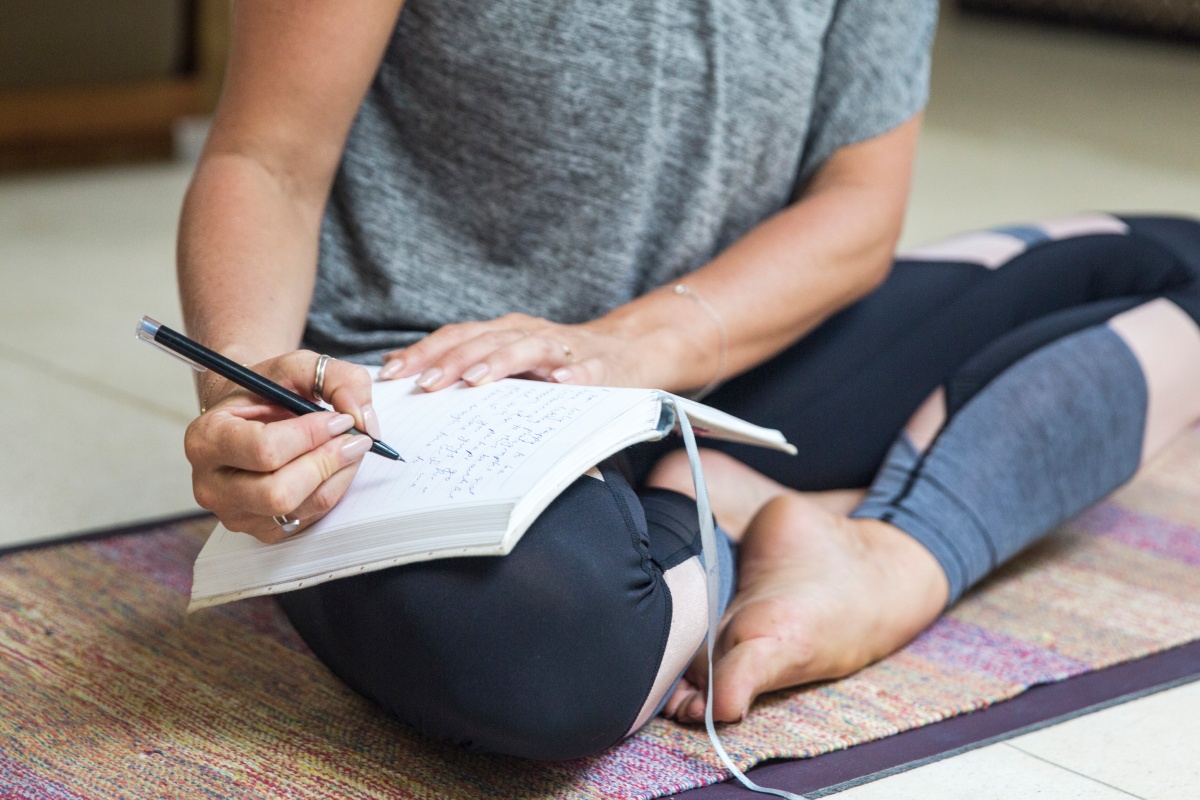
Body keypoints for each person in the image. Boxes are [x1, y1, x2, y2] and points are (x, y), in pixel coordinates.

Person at [178, 0, 1200, 762]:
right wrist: (249, 393)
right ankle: (719, 499)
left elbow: (859, 206)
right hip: (426, 386)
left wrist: (630, 346)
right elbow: (267, 159)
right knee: (553, 658)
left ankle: (892, 560)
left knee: (1180, 271)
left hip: (723, 355)